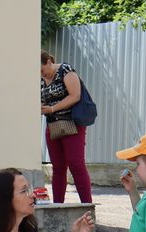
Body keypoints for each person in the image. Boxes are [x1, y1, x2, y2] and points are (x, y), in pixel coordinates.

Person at [40, 51, 92, 204]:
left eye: (42, 70)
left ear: (49, 61)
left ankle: (87, 205)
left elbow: (75, 95)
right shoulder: (41, 80)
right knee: (58, 168)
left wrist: (52, 108)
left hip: (72, 124)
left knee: (76, 165)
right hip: (52, 125)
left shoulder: (65, 70)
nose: (41, 74)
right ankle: (57, 206)